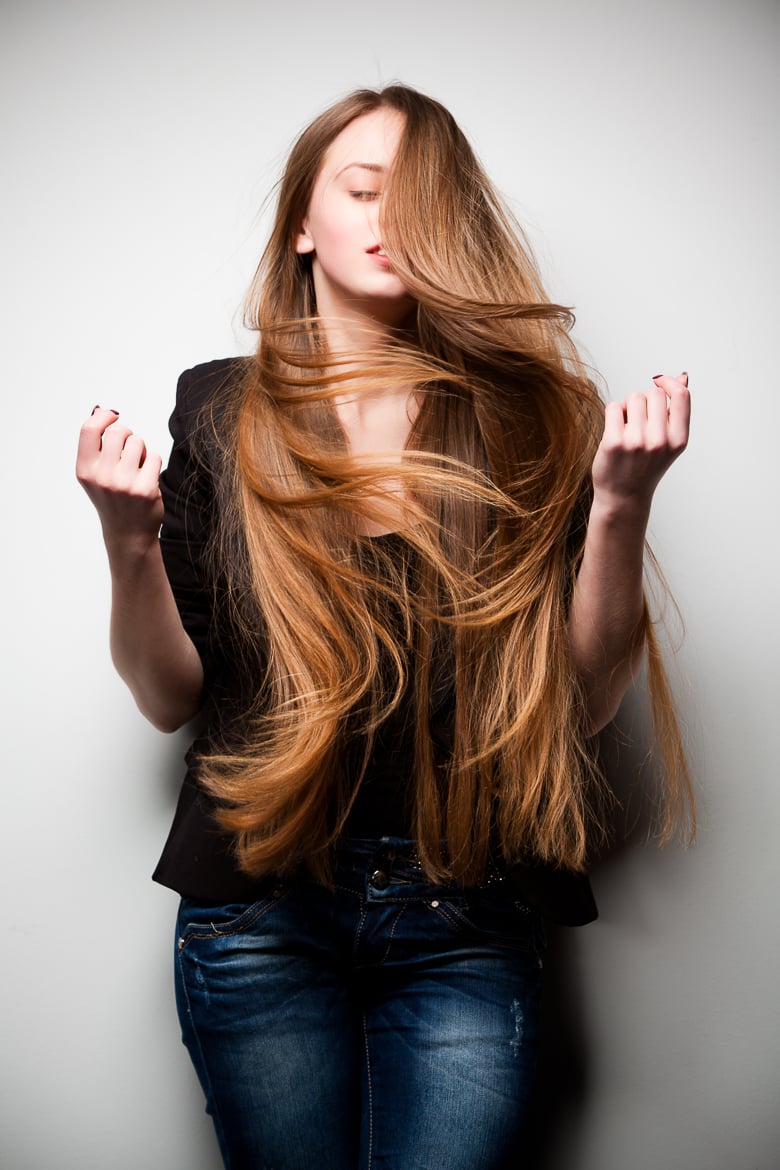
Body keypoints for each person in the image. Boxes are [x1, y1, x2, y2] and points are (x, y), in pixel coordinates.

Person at [76, 84, 694, 1170]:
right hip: (259, 911)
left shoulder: (533, 417)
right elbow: (173, 695)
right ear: (302, 228)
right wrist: (128, 545)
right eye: (363, 191)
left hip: (467, 914)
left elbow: (584, 707)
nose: (391, 218)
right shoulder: (219, 410)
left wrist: (622, 507)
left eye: (421, 199)